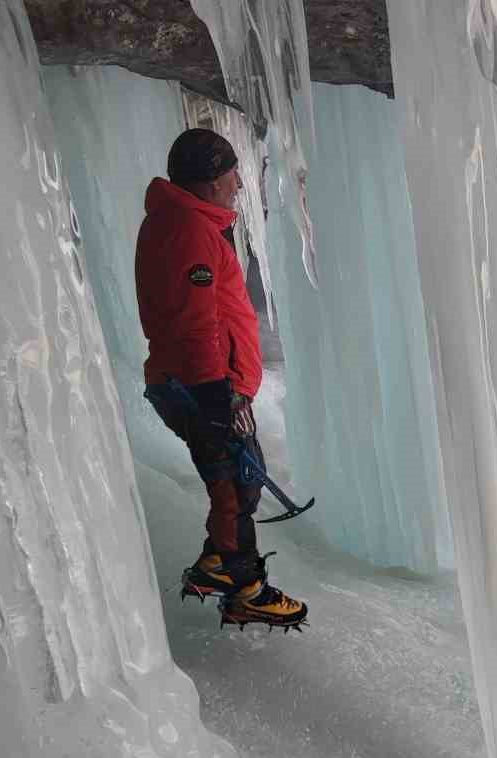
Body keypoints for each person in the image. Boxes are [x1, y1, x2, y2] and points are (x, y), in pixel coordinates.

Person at [135, 128, 305, 629]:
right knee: (235, 483)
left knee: (237, 482)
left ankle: (217, 565)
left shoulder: (188, 222)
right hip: (202, 386)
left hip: (201, 383)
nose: (238, 182)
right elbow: (195, 320)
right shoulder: (188, 229)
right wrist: (216, 395)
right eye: (232, 172)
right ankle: (246, 587)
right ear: (211, 179)